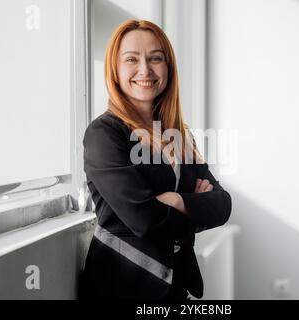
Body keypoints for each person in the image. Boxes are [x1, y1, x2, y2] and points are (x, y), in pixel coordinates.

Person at [78, 19, 232, 301]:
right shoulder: (104, 133)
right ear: (115, 68)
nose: (145, 70)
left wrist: (176, 201)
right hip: (123, 290)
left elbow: (223, 204)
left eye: (155, 58)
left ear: (168, 67)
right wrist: (194, 207)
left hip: (177, 289)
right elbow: (144, 218)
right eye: (131, 59)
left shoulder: (177, 134)